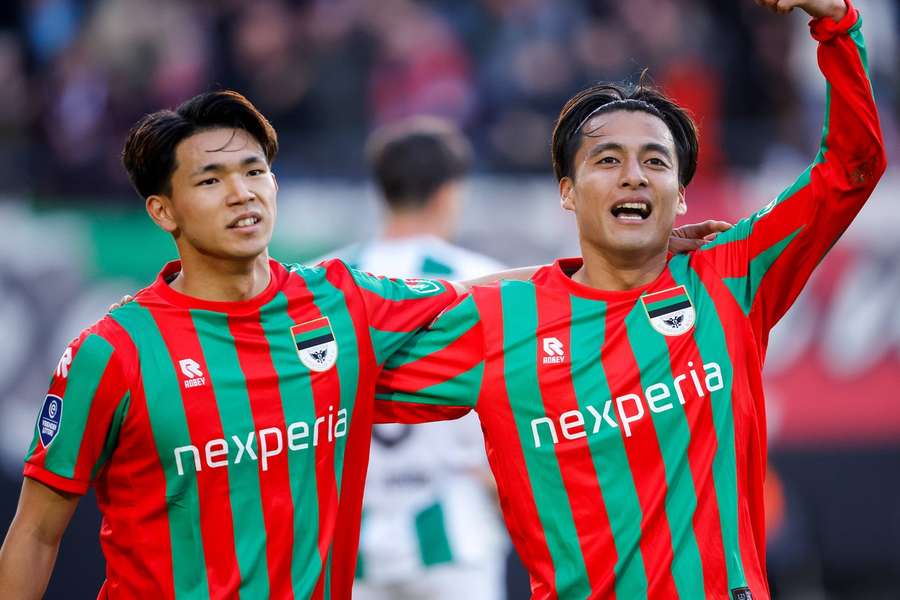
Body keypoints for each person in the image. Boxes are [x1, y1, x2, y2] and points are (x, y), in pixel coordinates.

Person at [0, 92, 721, 598]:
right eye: (212, 179)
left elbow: (481, 299)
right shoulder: (113, 350)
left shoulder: (337, 302)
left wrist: (625, 259)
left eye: (255, 171)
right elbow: (34, 535)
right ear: (163, 210)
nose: (243, 193)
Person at [373, 1, 885, 598]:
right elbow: (338, 382)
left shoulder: (730, 278)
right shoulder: (501, 321)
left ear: (682, 196)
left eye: (656, 161)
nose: (634, 176)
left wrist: (839, 26)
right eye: (607, 160)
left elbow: (852, 166)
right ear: (567, 192)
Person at [329, 117, 508, 600]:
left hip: (347, 538)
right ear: (450, 193)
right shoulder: (479, 281)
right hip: (456, 532)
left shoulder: (319, 285)